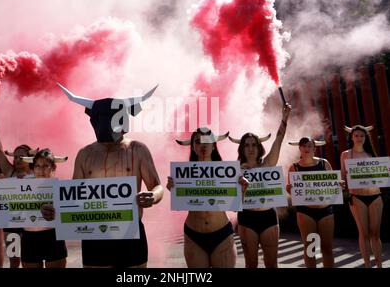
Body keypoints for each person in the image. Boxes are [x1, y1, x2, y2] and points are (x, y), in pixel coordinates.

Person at [41, 83, 164, 268]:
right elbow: (74, 196)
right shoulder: (85, 154)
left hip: (130, 233)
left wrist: (152, 196)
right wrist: (55, 208)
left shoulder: (138, 150)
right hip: (95, 233)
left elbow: (157, 186)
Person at [167, 127, 248, 268]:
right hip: (193, 235)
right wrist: (173, 188)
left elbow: (235, 208)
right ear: (192, 147)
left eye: (207, 141)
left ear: (214, 145)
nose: (202, 145)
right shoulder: (183, 173)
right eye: (198, 141)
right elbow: (182, 202)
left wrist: (242, 190)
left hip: (222, 234)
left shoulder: (228, 172)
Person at [228, 104, 291, 268]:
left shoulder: (267, 164)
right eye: (247, 145)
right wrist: (240, 189)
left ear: (259, 147)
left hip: (268, 217)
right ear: (241, 148)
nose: (250, 148)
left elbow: (279, 139)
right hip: (247, 219)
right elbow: (233, 206)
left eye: (254, 144)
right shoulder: (235, 170)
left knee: (271, 263)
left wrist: (285, 118)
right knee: (251, 264)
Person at [0, 113, 34, 268]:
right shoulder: (9, 171)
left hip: (32, 223)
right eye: (16, 156)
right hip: (11, 222)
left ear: (30, 159)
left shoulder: (37, 174)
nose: (18, 159)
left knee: (29, 260)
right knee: (14, 260)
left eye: (22, 156)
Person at [287, 137, 339, 268]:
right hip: (305, 212)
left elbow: (333, 184)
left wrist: (338, 184)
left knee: (327, 247)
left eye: (309, 146)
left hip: (326, 209)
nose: (307, 148)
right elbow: (293, 192)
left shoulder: (324, 163)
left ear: (315, 149)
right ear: (299, 148)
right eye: (304, 146)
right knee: (310, 247)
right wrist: (289, 190)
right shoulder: (294, 168)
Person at [17, 148, 68, 268]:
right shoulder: (22, 184)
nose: (41, 170)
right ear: (33, 168)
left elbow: (69, 213)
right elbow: (7, 202)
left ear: (53, 168)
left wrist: (57, 212)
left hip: (53, 236)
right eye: (37, 166)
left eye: (46, 166)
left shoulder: (62, 187)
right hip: (29, 238)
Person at [340, 125, 383, 268]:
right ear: (351, 137)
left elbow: (379, 174)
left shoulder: (371, 154)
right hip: (357, 197)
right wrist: (341, 184)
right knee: (363, 233)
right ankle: (367, 265)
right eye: (356, 135)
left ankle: (379, 264)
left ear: (366, 138)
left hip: (375, 195)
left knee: (375, 234)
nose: (359, 138)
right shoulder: (346, 154)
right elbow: (343, 176)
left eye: (362, 136)